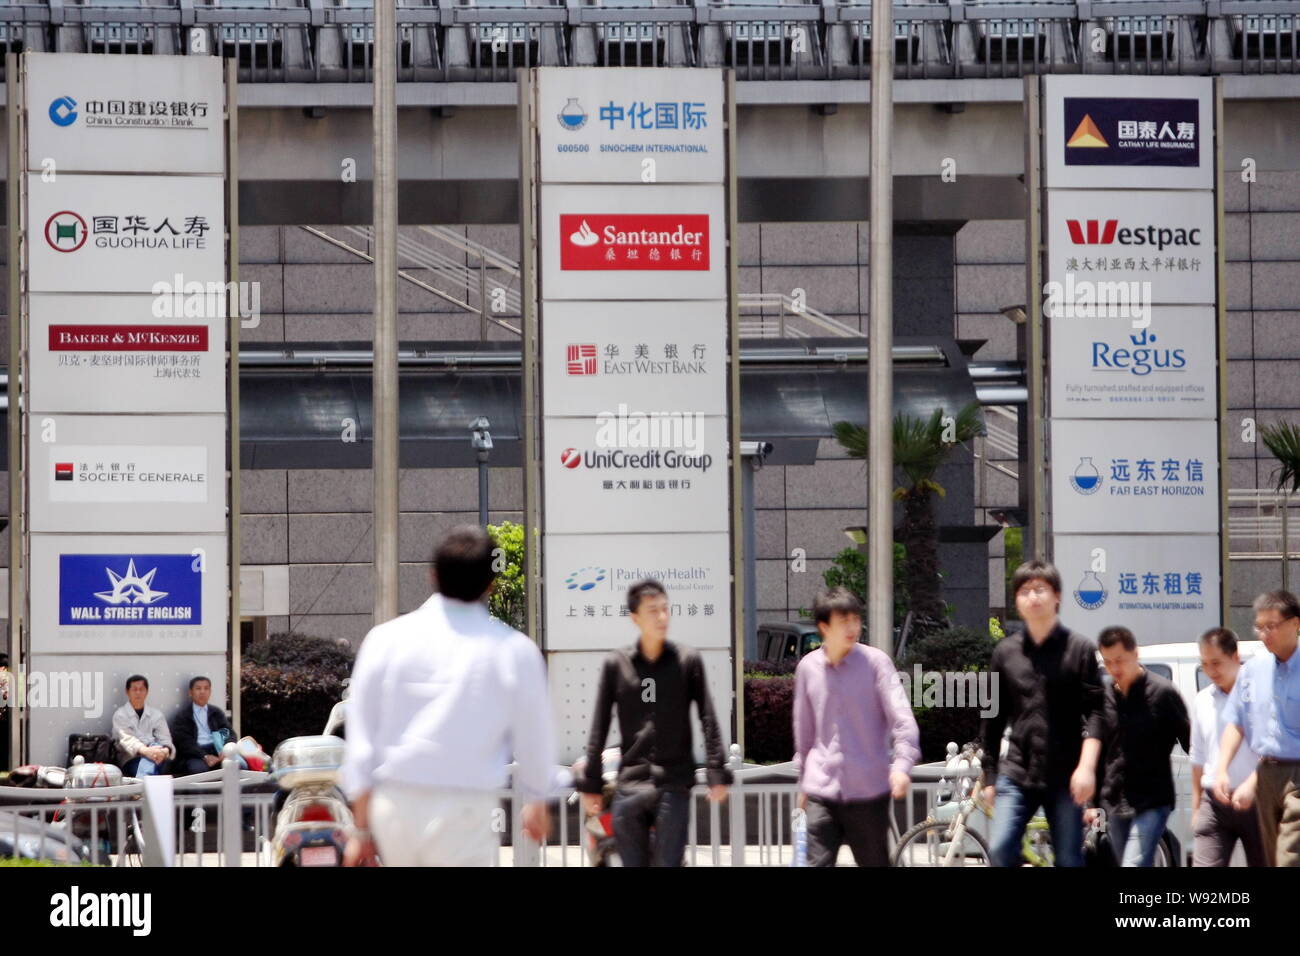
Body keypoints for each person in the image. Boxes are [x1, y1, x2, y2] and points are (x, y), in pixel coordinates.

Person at [340, 525, 556, 867]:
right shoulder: (515, 650)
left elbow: (362, 741)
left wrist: (360, 829)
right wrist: (537, 799)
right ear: (491, 583)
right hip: (466, 806)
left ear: (433, 576)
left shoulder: (384, 640)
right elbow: (535, 737)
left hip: (395, 803)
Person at [578, 578, 731, 867]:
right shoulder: (617, 664)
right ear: (635, 617)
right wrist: (591, 785)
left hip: (672, 784)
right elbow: (599, 725)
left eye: (665, 609)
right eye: (652, 610)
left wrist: (717, 772)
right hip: (630, 784)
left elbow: (707, 717)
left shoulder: (687, 660)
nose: (662, 617)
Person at [981, 560, 1105, 868]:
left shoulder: (1080, 649)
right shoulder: (1005, 652)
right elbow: (992, 716)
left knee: (1068, 859)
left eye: (1040, 589)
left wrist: (1087, 768)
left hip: (1065, 774)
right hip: (1017, 771)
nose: (1033, 597)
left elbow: (1097, 714)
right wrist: (990, 775)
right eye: (1025, 591)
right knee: (1000, 849)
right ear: (1016, 601)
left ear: (1057, 596)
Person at [793, 586, 919, 867]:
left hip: (868, 791)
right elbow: (804, 732)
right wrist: (803, 781)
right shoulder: (807, 668)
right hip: (821, 791)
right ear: (824, 627)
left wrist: (902, 765)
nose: (852, 627)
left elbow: (902, 718)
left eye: (856, 619)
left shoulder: (876, 663)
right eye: (843, 621)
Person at [1213, 590, 1300, 867]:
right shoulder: (1252, 670)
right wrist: (1222, 768)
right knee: (1271, 858)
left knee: (1289, 857)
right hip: (1266, 773)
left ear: (1295, 623)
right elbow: (1237, 721)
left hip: (1298, 774)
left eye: (1271, 626)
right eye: (1259, 627)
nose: (1264, 635)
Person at [1090, 626, 1190, 867]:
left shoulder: (1163, 693)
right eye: (1108, 662)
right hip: (1114, 801)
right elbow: (1099, 752)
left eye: (1120, 661)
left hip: (1152, 800)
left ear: (1136, 654)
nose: (1114, 669)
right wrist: (1092, 805)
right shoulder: (1103, 698)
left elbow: (1191, 743)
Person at [1190, 627, 1265, 867]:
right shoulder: (1202, 700)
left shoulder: (1263, 695)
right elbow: (1198, 756)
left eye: (1216, 663)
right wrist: (1195, 808)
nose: (1211, 671)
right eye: (1205, 664)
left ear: (1235, 657)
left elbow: (1274, 750)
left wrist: (1252, 784)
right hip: (1214, 803)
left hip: (1260, 801)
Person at [170, 677, 236, 776]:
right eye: (198, 688)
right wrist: (204, 756)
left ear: (210, 691)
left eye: (206, 688)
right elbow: (184, 742)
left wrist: (226, 749)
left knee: (237, 766)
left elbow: (228, 732)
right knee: (199, 771)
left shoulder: (215, 712)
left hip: (217, 750)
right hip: (195, 753)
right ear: (190, 692)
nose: (202, 692)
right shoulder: (183, 715)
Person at [111, 675, 174, 777]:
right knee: (151, 767)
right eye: (134, 689)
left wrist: (164, 751)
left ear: (146, 692)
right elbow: (127, 740)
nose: (138, 693)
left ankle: (142, 790)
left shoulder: (156, 715)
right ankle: (149, 788)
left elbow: (165, 738)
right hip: (131, 759)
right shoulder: (120, 715)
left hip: (159, 756)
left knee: (153, 764)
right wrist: (147, 751)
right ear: (127, 692)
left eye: (141, 689)